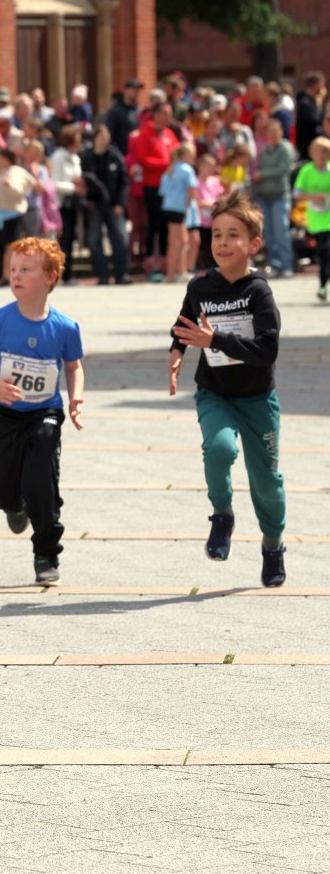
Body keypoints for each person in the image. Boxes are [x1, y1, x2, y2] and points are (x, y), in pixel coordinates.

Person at [169, 192, 286, 587]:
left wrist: (215, 340)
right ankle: (222, 515)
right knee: (219, 449)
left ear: (253, 244)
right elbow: (183, 324)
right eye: (216, 234)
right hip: (215, 393)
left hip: (257, 399)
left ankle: (273, 544)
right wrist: (176, 352)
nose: (221, 242)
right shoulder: (201, 287)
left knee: (266, 481)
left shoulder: (258, 291)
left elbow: (267, 350)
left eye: (232, 235)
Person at [0, 235, 84, 587]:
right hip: (0, 412)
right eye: (13, 268)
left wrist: (76, 399)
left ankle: (46, 553)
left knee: (41, 481)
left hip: (44, 412)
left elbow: (73, 367)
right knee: (2, 488)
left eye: (26, 269)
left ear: (50, 277)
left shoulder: (65, 327)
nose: (16, 275)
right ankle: (13, 505)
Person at [128, 101, 180, 279]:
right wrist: (165, 165)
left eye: (170, 113)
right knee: (154, 223)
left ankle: (165, 262)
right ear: (156, 114)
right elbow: (143, 158)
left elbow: (177, 153)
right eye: (165, 113)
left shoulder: (170, 133)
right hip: (152, 185)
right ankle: (150, 262)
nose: (168, 117)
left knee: (165, 224)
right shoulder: (145, 133)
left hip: (170, 187)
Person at [81, 124, 130, 284]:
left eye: (107, 136)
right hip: (95, 205)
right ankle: (102, 275)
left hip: (114, 205)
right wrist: (87, 200)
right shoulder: (86, 157)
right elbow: (83, 182)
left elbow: (124, 182)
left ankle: (121, 275)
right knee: (94, 240)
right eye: (101, 136)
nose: (105, 139)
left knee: (119, 239)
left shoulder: (115, 156)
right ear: (95, 138)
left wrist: (121, 203)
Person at [251, 113, 294, 277]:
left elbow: (283, 169)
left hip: (280, 195)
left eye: (276, 130)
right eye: (270, 131)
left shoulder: (286, 148)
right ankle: (276, 265)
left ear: (281, 131)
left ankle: (287, 265)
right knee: (269, 233)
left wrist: (262, 174)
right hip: (264, 196)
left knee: (281, 231)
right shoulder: (265, 151)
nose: (273, 134)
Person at [0, 147, 33, 287]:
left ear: (5, 158)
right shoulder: (5, 173)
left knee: (12, 247)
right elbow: (2, 194)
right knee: (7, 247)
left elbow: (23, 187)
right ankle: (5, 276)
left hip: (14, 213)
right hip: (5, 215)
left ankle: (10, 276)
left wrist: (11, 186)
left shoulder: (14, 172)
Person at [293, 136, 330, 300]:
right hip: (317, 220)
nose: (321, 156)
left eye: (324, 152)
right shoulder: (307, 171)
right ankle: (322, 285)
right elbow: (297, 193)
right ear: (312, 153)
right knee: (323, 253)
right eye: (317, 152)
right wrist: (314, 197)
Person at [159, 142, 199, 282]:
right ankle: (173, 273)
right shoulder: (187, 170)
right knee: (178, 241)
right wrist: (187, 208)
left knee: (179, 240)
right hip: (180, 208)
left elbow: (163, 192)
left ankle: (178, 271)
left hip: (169, 207)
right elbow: (191, 191)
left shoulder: (170, 169)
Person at [50, 124, 84, 283]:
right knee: (64, 239)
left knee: (71, 239)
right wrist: (73, 188)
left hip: (73, 204)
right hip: (60, 205)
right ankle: (61, 273)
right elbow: (54, 183)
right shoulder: (58, 157)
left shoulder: (76, 158)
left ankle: (69, 273)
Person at [295, 72, 325, 160]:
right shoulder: (305, 103)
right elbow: (315, 120)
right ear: (316, 85)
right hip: (308, 148)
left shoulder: (310, 101)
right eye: (321, 84)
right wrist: (320, 102)